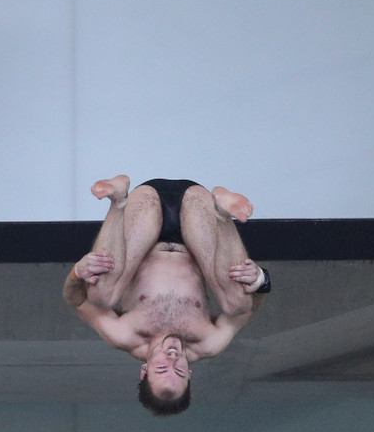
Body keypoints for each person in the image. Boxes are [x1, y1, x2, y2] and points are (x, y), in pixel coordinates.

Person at [63, 175, 271, 416]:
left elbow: (76, 299)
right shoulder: (208, 342)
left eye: (162, 368)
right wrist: (260, 278)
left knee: (100, 297)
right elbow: (251, 305)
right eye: (180, 371)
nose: (172, 358)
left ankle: (118, 201)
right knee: (238, 303)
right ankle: (223, 215)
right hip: (198, 220)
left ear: (144, 370)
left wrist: (78, 271)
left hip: (144, 217)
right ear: (190, 374)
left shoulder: (125, 335)